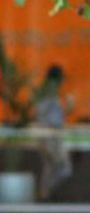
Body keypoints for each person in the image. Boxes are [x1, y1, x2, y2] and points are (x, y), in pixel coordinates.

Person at [33, 65, 72, 200]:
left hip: (53, 134)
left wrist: (68, 108)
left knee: (51, 167)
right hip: (50, 135)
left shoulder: (51, 94)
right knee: (62, 167)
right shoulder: (47, 94)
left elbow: (55, 115)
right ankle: (45, 193)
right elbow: (44, 116)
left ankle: (45, 194)